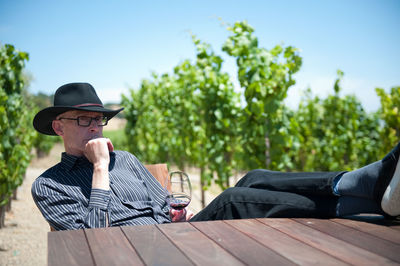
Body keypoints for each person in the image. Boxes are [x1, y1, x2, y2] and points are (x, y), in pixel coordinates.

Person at [31, 82, 400, 231]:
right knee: (236, 199)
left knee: (253, 176)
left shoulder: (124, 158)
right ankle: (366, 191)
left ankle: (357, 187)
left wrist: (175, 212)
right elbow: (96, 238)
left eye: (100, 119)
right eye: (84, 120)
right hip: (138, 252)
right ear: (59, 127)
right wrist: (98, 169)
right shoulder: (48, 185)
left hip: (174, 234)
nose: (95, 127)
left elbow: (164, 203)